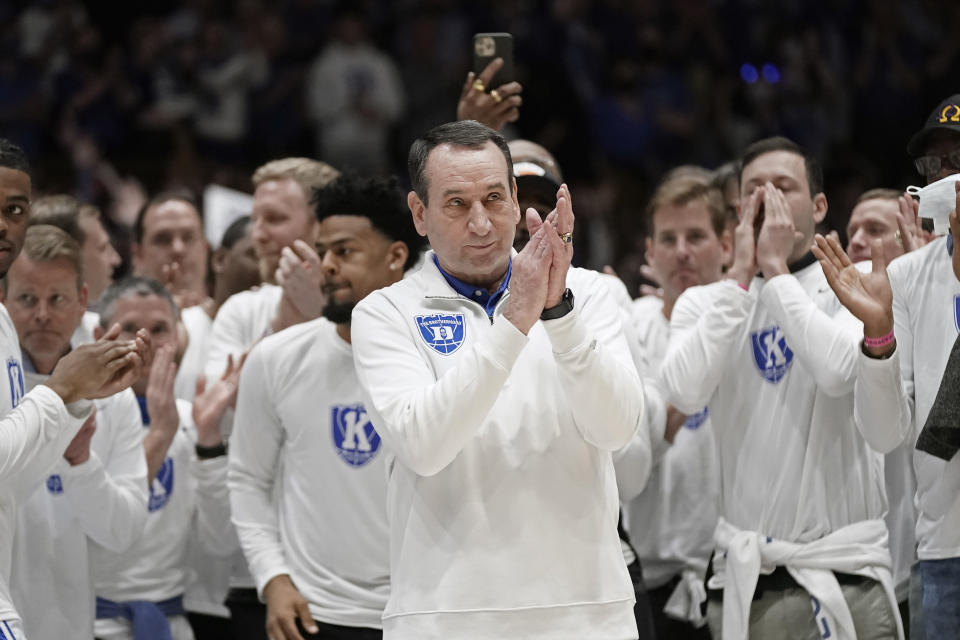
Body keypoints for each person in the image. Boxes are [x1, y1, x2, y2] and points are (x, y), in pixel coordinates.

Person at [351, 120, 648, 639]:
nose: (482, 224)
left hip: (588, 612)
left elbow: (617, 430)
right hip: (444, 618)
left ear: (515, 198)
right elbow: (424, 445)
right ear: (419, 215)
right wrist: (514, 322)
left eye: (493, 198)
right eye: (457, 204)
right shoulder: (384, 313)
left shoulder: (586, 294)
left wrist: (558, 315)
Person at [660, 136, 902, 639]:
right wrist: (743, 276)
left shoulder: (855, 282)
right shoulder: (706, 305)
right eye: (755, 191)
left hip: (845, 573)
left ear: (818, 206)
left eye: (784, 188)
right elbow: (684, 392)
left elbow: (837, 373)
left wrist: (774, 271)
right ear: (736, 211)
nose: (768, 200)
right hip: (750, 581)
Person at [229, 174, 425, 640]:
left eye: (345, 251)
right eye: (323, 251)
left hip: (419, 612)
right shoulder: (276, 358)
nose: (328, 266)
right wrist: (272, 579)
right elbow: (246, 478)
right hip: (312, 616)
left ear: (397, 256)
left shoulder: (438, 359)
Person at [812, 93, 960, 640]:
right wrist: (878, 338)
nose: (946, 175)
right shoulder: (909, 277)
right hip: (943, 553)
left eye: (958, 160)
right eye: (935, 164)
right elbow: (885, 433)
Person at [0, 137, 149, 639]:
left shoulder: (109, 392)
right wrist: (58, 396)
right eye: (27, 297)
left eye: (57, 298)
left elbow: (123, 534)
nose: (42, 314)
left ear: (84, 299)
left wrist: (80, 451)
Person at [91, 277, 238, 640]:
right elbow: (101, 533)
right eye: (129, 329)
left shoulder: (194, 420)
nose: (145, 343)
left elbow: (220, 544)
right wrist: (159, 433)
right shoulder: (80, 422)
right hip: (90, 623)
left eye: (159, 329)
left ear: (179, 336)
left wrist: (208, 442)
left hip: (172, 624)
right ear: (98, 334)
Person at [619, 171, 731, 640]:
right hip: (651, 576)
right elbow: (626, 452)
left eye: (696, 236)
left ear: (726, 245)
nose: (682, 250)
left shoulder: (749, 318)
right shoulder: (627, 326)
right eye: (668, 238)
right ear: (649, 252)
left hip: (734, 569)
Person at [205, 158, 339, 381]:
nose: (257, 235)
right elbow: (216, 408)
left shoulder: (370, 304)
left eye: (274, 219)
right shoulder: (242, 309)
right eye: (255, 219)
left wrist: (320, 318)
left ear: (323, 225)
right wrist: (279, 326)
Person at [28, 194, 122, 343]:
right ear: (65, 256)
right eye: (103, 248)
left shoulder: (105, 333)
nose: (116, 259)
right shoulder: (6, 337)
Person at [132, 191, 211, 311]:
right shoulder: (117, 324)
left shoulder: (233, 319)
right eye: (163, 239)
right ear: (138, 256)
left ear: (206, 248)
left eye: (188, 237)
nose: (178, 249)